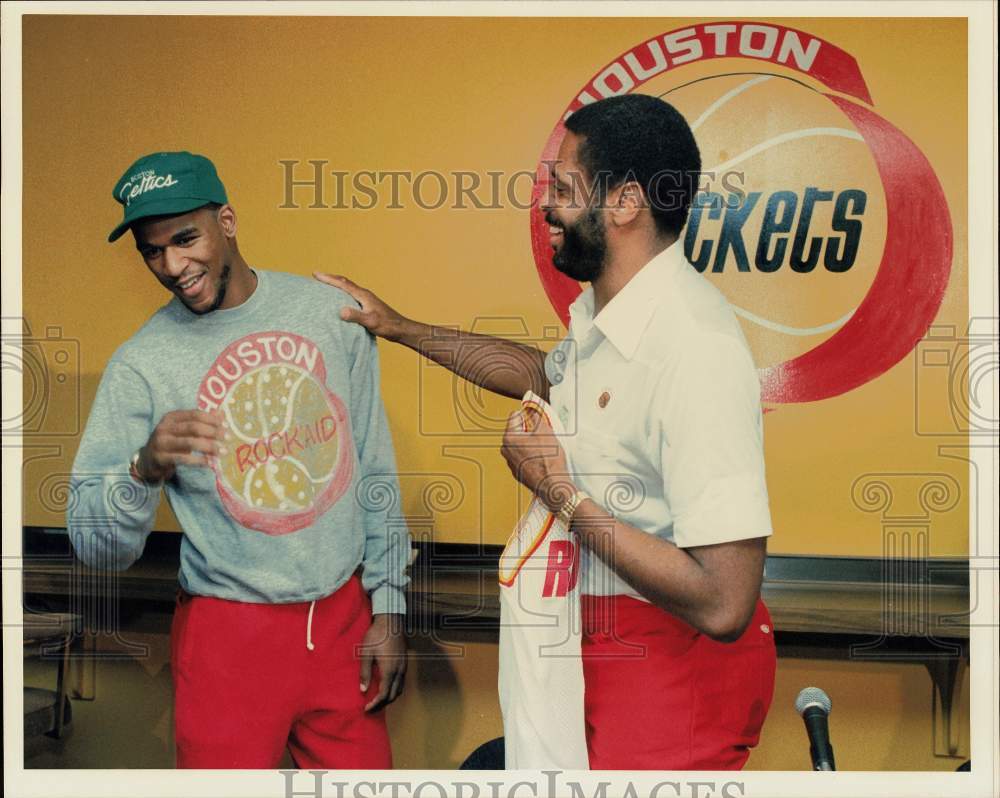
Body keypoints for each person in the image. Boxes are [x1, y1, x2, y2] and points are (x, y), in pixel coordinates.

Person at [317, 94, 775, 770]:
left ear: (623, 203)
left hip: (674, 678)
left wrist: (556, 490)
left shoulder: (695, 345)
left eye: (561, 188)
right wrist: (401, 328)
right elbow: (546, 375)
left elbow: (724, 601)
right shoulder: (608, 312)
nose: (545, 206)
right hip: (599, 649)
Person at [68, 151, 409, 769]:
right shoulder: (141, 363)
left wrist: (389, 606)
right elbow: (97, 548)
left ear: (227, 221)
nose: (173, 266)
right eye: (152, 251)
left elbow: (374, 470)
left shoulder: (329, 315)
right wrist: (142, 470)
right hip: (227, 636)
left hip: (342, 622)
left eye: (185, 239)